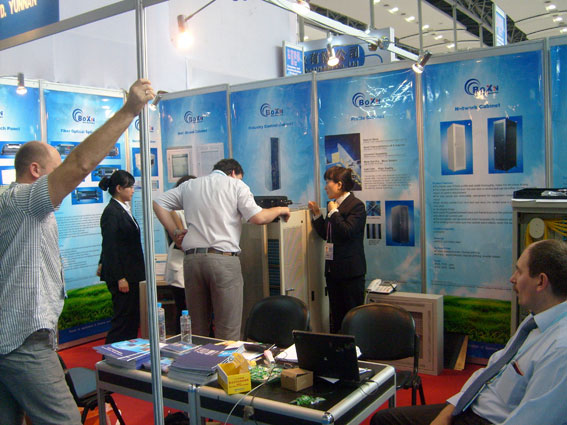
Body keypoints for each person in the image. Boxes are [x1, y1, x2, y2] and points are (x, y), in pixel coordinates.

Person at [0, 79, 153, 425]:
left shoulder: (10, 205)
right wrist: (129, 110)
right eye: (57, 171)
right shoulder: (25, 202)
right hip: (23, 340)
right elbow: (81, 164)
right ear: (35, 171)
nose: (65, 183)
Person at [371, 239, 567, 425]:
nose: (512, 279)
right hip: (473, 406)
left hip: (488, 420)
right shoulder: (535, 322)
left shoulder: (560, 349)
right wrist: (449, 412)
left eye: (519, 271)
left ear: (541, 282)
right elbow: (491, 371)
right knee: (384, 419)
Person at [153, 158, 291, 341]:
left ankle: (198, 359)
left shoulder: (190, 185)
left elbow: (158, 203)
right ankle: (223, 360)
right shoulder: (236, 185)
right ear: (233, 173)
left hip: (192, 261)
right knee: (227, 330)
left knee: (197, 330)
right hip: (223, 260)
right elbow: (258, 217)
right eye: (239, 177)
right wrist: (281, 209)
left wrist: (175, 232)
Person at [308, 166, 366, 333]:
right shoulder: (333, 205)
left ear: (339, 184)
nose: (325, 187)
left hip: (350, 274)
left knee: (352, 319)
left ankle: (353, 349)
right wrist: (317, 214)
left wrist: (333, 212)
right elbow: (327, 234)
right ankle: (336, 347)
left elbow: (347, 231)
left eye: (328, 182)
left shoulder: (356, 206)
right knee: (336, 317)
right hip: (333, 272)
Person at [98, 170, 145, 344]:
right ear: (119, 188)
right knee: (122, 321)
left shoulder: (123, 209)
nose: (133, 190)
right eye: (129, 187)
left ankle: (127, 354)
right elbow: (110, 245)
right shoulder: (112, 212)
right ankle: (111, 357)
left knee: (131, 319)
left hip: (132, 273)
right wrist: (120, 277)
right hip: (124, 276)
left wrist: (102, 262)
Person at [163, 174, 195, 333]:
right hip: (179, 266)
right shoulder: (173, 210)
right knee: (183, 309)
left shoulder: (194, 208)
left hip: (193, 263)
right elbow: (180, 240)